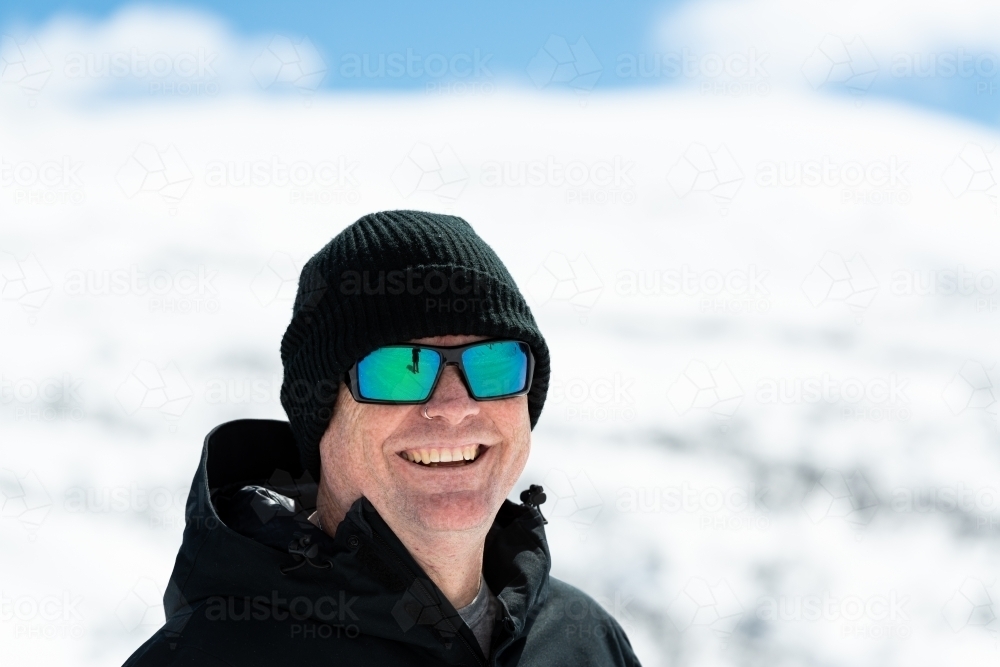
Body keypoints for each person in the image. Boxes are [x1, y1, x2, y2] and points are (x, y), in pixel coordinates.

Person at [124, 210, 640, 666]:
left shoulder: (586, 640)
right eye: (401, 369)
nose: (455, 406)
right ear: (322, 417)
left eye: (494, 363)